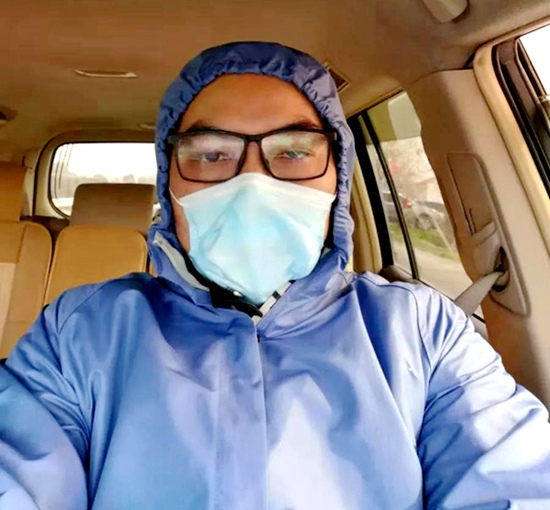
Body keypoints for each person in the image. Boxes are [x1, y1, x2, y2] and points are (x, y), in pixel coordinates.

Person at [1, 41, 549, 510]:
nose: (252, 184)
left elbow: (514, 482)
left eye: (292, 152)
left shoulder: (425, 333)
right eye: (211, 155)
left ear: (337, 178)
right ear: (171, 185)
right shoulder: (78, 335)